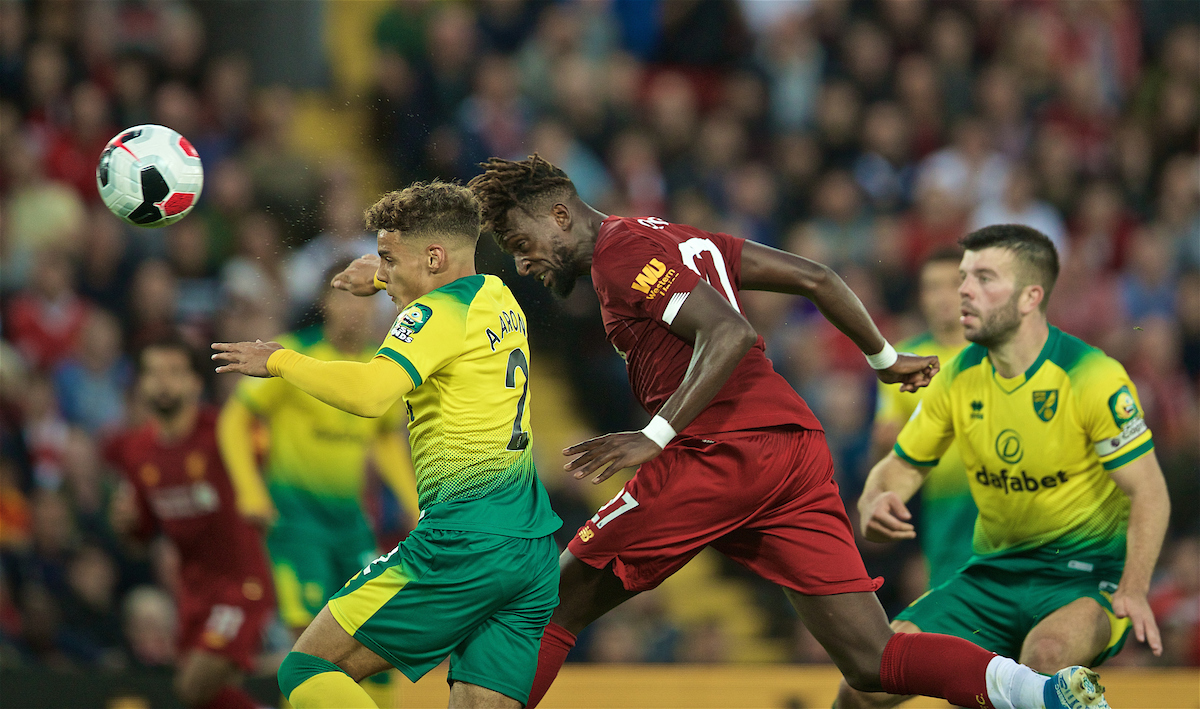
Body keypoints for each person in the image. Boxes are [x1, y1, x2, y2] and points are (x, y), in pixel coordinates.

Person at [461, 155, 1111, 709]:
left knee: (551, 602)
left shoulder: (620, 253)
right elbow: (817, 277)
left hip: (722, 450)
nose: (525, 264)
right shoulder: (671, 235)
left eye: (522, 244)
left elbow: (729, 331)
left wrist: (654, 435)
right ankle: (1041, 694)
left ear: (560, 216)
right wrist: (884, 358)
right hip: (793, 447)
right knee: (871, 656)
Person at [211, 181, 561, 709]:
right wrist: (380, 277)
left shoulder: (429, 315)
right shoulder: (497, 296)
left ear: (434, 256)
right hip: (532, 552)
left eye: (389, 258)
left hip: (464, 543)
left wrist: (279, 359)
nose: (386, 273)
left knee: (307, 668)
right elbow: (443, 294)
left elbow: (372, 395)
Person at [839, 224, 1169, 708]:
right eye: (964, 276)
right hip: (990, 576)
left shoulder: (1091, 376)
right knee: (866, 683)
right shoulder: (957, 377)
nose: (963, 291)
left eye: (984, 278)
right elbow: (899, 466)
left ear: (1029, 297)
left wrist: (1135, 590)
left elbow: (1150, 491)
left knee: (1046, 658)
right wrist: (876, 497)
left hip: (1081, 579)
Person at [217, 270, 419, 705]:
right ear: (325, 304)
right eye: (343, 298)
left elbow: (384, 436)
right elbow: (234, 419)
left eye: (364, 299)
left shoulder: (380, 366)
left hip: (351, 524)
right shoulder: (293, 353)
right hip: (296, 522)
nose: (354, 309)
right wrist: (250, 492)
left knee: (377, 640)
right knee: (310, 642)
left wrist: (410, 500)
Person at [105, 338, 275, 709]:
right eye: (153, 373)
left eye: (174, 372)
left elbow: (271, 465)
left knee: (194, 685)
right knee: (205, 698)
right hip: (193, 594)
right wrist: (125, 524)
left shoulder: (223, 432)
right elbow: (140, 538)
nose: (163, 382)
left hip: (241, 585)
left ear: (196, 383)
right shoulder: (135, 451)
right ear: (139, 384)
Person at [871, 247, 975, 592]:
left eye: (953, 284)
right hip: (939, 516)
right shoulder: (902, 360)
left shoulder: (999, 355)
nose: (944, 297)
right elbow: (887, 447)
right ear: (921, 297)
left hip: (1004, 507)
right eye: (933, 287)